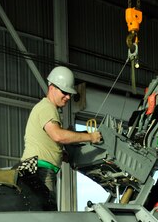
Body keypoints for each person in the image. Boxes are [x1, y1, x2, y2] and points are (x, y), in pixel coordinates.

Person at [21, 65, 102, 203]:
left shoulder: (46, 108)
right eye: (64, 92)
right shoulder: (47, 107)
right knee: (47, 218)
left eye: (69, 93)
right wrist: (90, 137)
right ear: (51, 87)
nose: (68, 97)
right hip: (41, 170)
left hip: (39, 169)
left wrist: (61, 154)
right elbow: (58, 135)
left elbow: (48, 140)